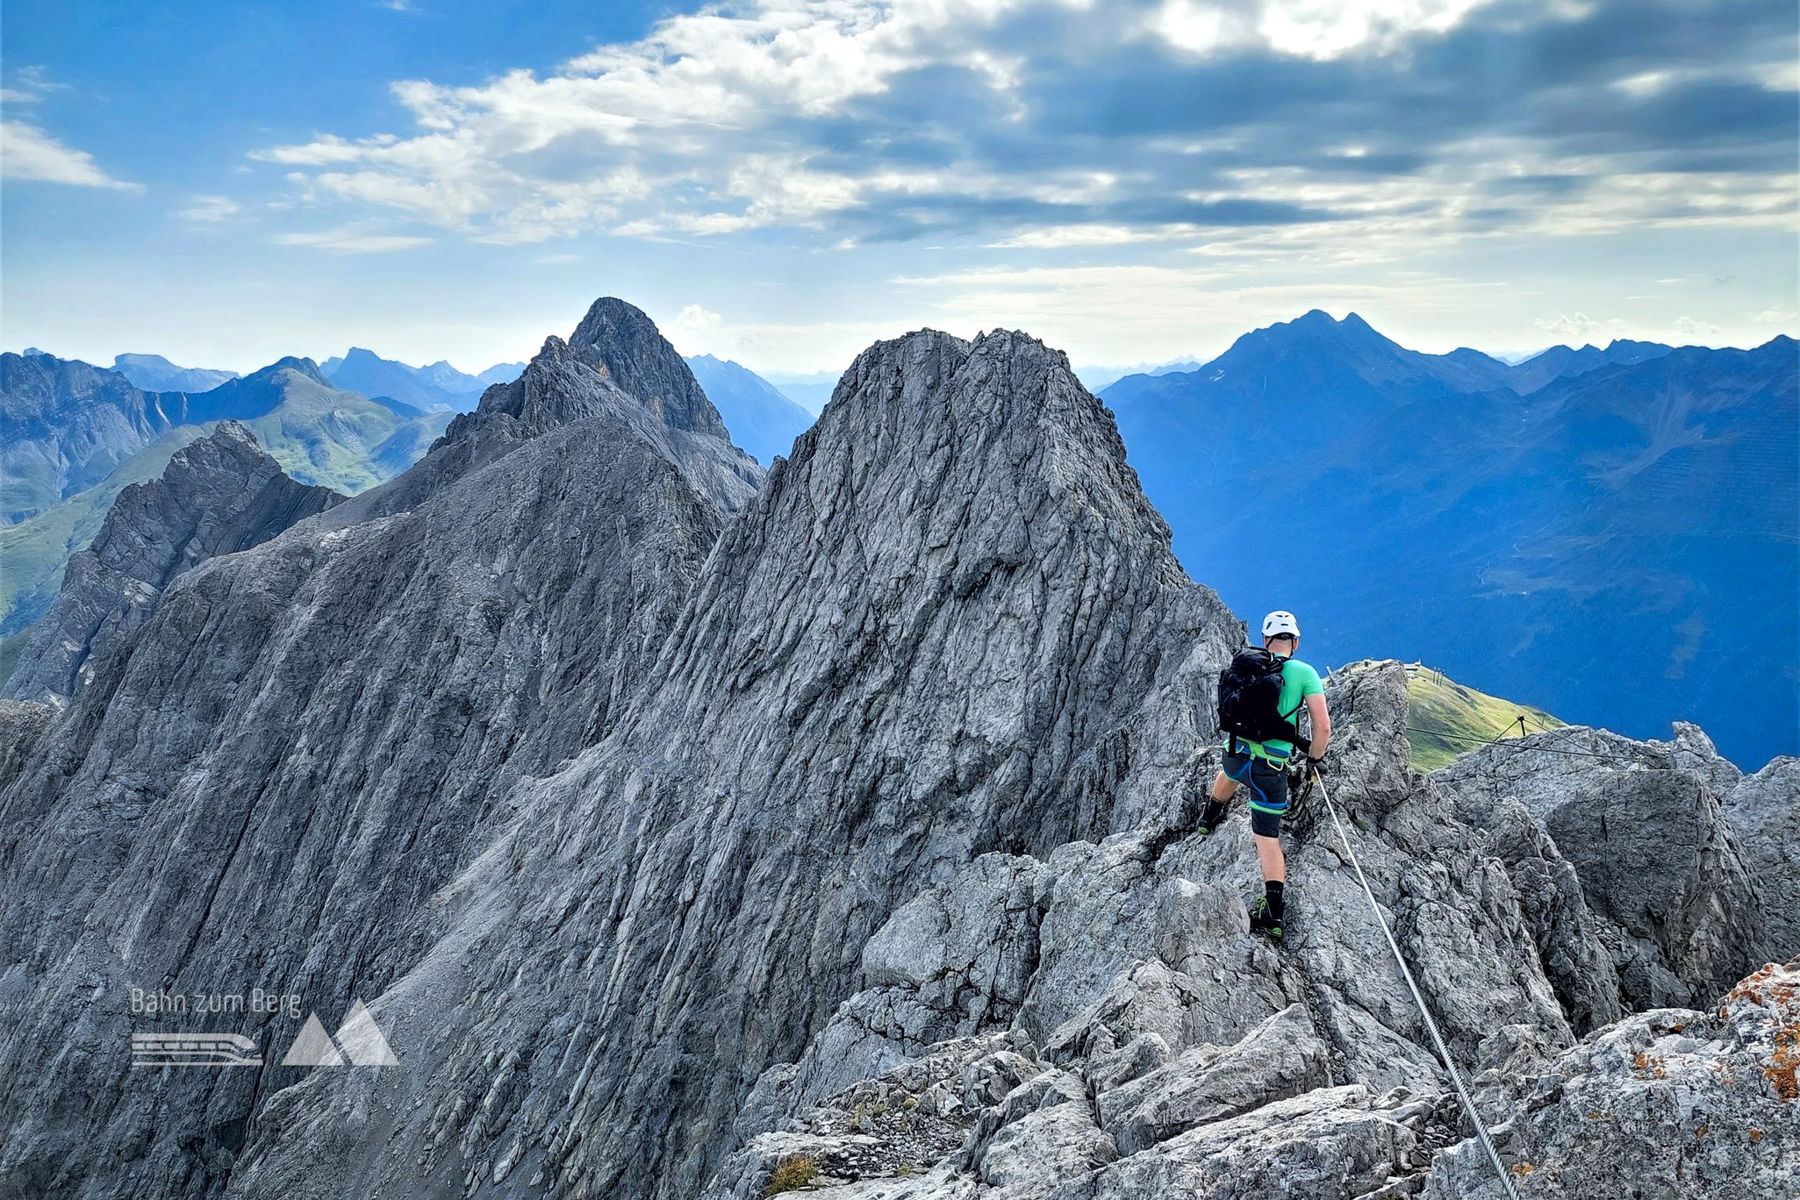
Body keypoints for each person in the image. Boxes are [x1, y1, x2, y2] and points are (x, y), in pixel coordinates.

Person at [1200, 610, 1331, 940]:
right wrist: (1314, 758)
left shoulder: (1245, 664)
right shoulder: (1304, 673)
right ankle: (1273, 912)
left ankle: (1207, 818)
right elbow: (1323, 725)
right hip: (1270, 769)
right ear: (1296, 642)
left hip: (1235, 754)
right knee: (1267, 839)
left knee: (1227, 776)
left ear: (1265, 640)